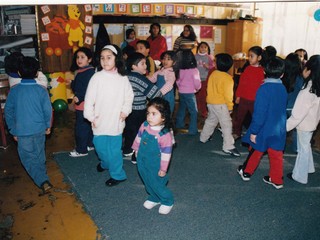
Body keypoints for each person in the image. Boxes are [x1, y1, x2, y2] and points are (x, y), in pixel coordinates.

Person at [83, 44, 134, 187]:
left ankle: (118, 175)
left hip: (116, 121)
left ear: (116, 59)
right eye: (102, 58)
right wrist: (90, 117)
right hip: (99, 121)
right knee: (100, 148)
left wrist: (125, 111)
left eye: (109, 58)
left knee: (114, 151)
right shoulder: (97, 77)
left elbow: (129, 96)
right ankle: (105, 163)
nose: (105, 61)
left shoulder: (123, 78)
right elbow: (89, 99)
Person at [237, 56, 287, 189]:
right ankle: (276, 180)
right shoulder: (283, 89)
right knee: (276, 154)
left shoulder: (263, 89)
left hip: (263, 128)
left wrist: (254, 131)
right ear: (282, 74)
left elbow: (259, 114)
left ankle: (246, 172)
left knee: (256, 151)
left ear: (264, 71)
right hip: (279, 129)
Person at [4, 56, 53, 193]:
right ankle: (43, 177)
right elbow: (47, 110)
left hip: (22, 132)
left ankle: (43, 181)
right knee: (39, 155)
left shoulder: (14, 90)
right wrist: (48, 126)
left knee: (27, 158)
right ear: (37, 73)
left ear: (18, 73)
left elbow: (8, 112)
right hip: (39, 129)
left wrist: (13, 130)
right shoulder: (41, 90)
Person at [132, 97, 174, 215]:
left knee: (156, 182)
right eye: (148, 113)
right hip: (142, 159)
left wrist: (163, 169)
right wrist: (135, 148)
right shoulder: (145, 125)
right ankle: (154, 197)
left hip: (155, 162)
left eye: (154, 114)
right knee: (146, 179)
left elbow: (166, 154)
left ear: (163, 117)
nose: (149, 116)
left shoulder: (164, 135)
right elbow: (138, 137)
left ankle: (167, 200)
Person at [286, 55, 320, 184]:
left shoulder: (307, 90)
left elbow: (298, 114)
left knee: (303, 149)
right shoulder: (316, 87)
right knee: (306, 146)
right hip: (312, 123)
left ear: (310, 71)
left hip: (304, 124)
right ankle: (309, 168)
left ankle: (299, 176)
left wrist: (285, 127)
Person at [123, 52, 162, 161]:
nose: (146, 66)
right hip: (138, 111)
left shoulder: (125, 76)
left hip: (125, 110)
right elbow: (155, 94)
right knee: (140, 133)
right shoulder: (139, 78)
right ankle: (136, 156)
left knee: (129, 131)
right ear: (134, 66)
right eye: (143, 63)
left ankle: (127, 150)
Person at [199, 53, 240, 157]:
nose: (213, 63)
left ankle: (203, 137)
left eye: (215, 61)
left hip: (211, 103)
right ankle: (228, 147)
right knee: (226, 125)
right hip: (221, 105)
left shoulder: (213, 73)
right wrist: (230, 107)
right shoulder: (228, 78)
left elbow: (208, 88)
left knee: (211, 120)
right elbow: (228, 95)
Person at [232, 46, 265, 140]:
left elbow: (262, 87)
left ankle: (256, 134)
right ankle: (237, 133)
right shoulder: (247, 69)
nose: (249, 58)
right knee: (239, 117)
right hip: (244, 99)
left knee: (256, 118)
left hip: (255, 101)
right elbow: (241, 84)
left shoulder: (262, 71)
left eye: (252, 56)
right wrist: (238, 96)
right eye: (249, 56)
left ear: (259, 58)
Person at [68, 47, 95, 157]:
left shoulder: (88, 72)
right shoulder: (82, 71)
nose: (79, 59)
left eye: (82, 57)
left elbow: (88, 89)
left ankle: (81, 150)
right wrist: (72, 83)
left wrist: (79, 97)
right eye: (78, 57)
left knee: (81, 128)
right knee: (88, 126)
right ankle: (90, 144)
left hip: (84, 105)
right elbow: (79, 86)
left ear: (89, 59)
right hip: (86, 105)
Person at [174, 49, 201, 135]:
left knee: (182, 108)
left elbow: (177, 81)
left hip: (181, 92)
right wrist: (197, 88)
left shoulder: (180, 70)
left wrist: (181, 88)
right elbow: (197, 82)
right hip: (190, 93)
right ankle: (193, 130)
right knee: (193, 111)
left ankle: (179, 124)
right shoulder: (194, 70)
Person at [282, 53, 304, 152]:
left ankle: (280, 147)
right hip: (295, 108)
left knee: (282, 129)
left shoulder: (282, 77)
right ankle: (296, 148)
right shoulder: (300, 78)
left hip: (282, 107)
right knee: (296, 129)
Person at [148, 50, 176, 115]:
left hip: (167, 97)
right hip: (159, 96)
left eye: (168, 59)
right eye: (164, 58)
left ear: (174, 62)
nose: (165, 61)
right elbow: (153, 79)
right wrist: (146, 77)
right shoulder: (160, 71)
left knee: (166, 114)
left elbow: (169, 85)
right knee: (158, 113)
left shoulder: (171, 73)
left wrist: (159, 93)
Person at [195, 41, 214, 119]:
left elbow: (213, 66)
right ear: (198, 48)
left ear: (207, 49)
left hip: (204, 79)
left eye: (205, 47)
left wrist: (208, 66)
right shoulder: (195, 56)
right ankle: (196, 110)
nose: (203, 48)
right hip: (196, 79)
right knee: (196, 96)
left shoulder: (209, 57)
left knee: (203, 96)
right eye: (201, 47)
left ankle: (204, 111)